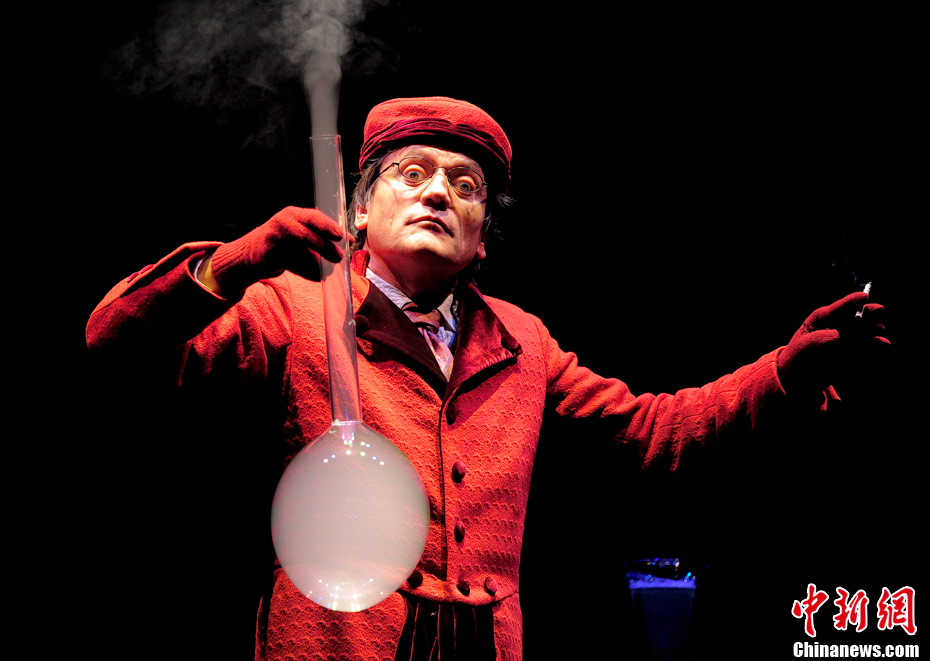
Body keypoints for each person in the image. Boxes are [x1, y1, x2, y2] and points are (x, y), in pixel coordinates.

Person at [86, 96, 888, 660]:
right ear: (360, 211)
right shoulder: (295, 307)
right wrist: (232, 264)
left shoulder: (522, 340)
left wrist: (783, 372)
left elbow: (653, 432)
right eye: (411, 173)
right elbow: (112, 343)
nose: (438, 190)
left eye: (464, 186)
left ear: (481, 242)